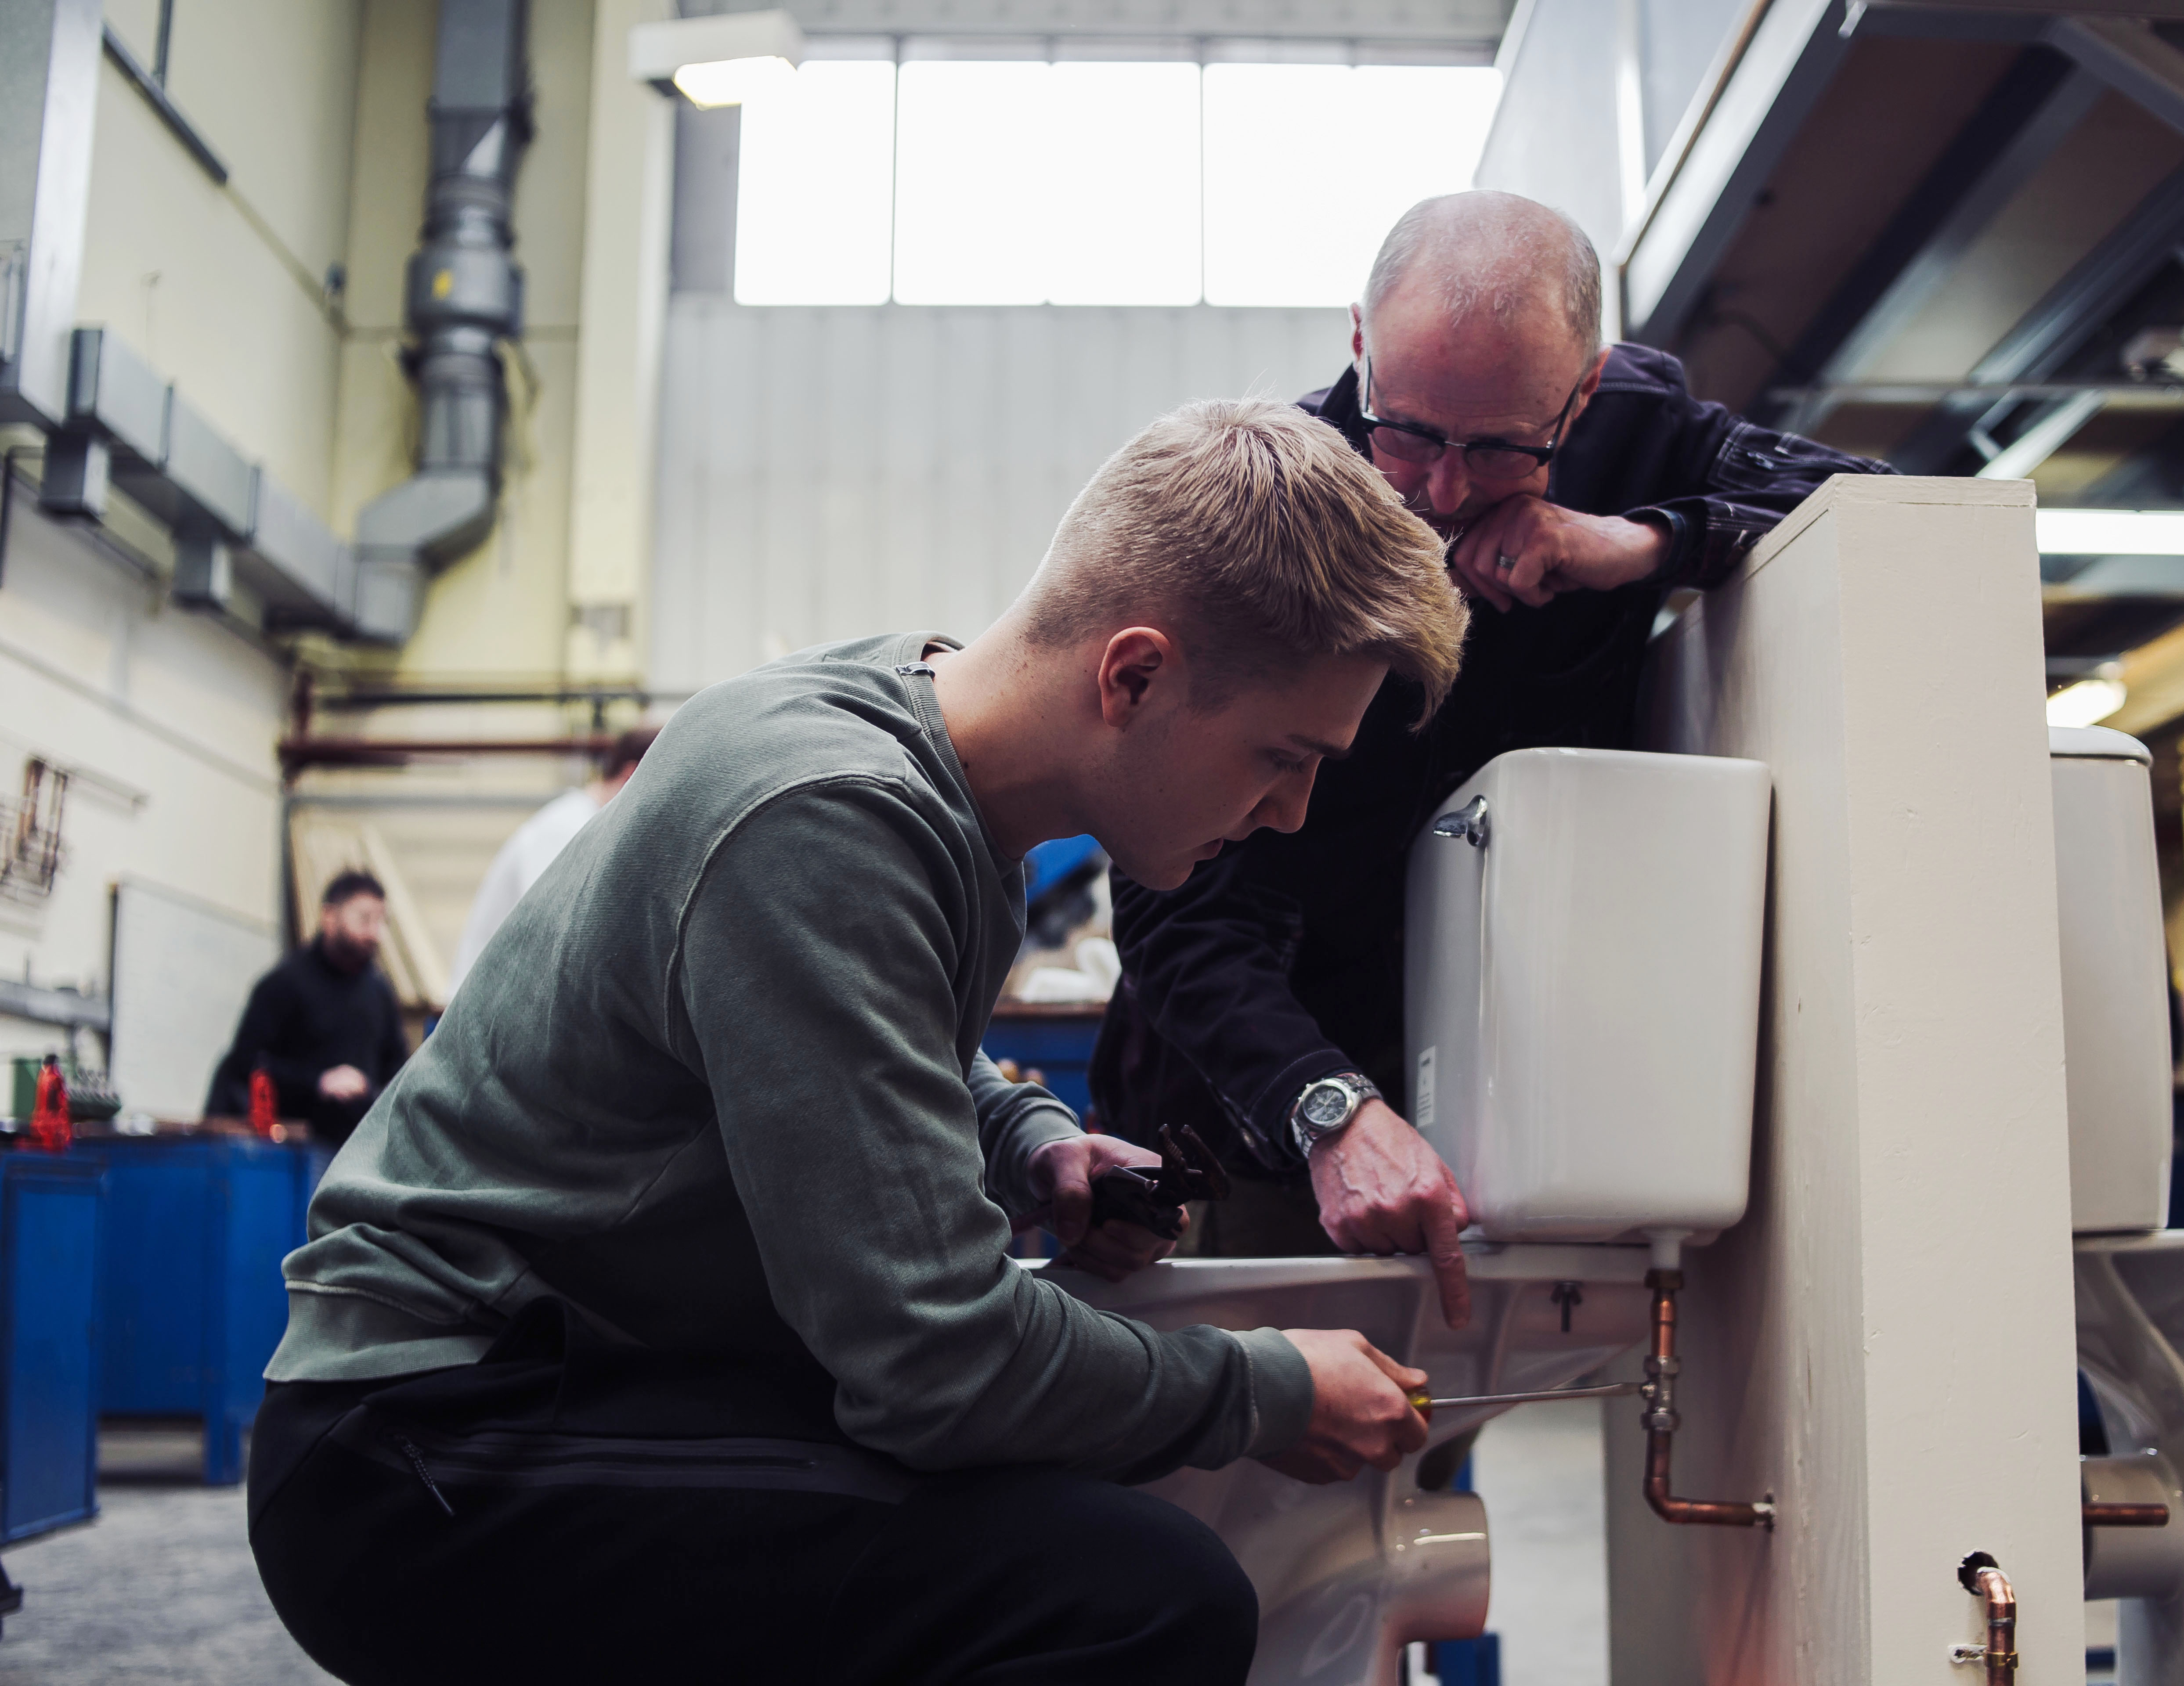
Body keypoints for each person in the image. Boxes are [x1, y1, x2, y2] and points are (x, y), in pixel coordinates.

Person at [248, 400, 1462, 1686]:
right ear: (1136, 674)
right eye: (1284, 755)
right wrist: (1266, 1388)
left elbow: (885, 1070)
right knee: (1143, 1597)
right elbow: (933, 1366)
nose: (1292, 812)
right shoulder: (825, 817)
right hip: (423, 1442)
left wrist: (1034, 1142)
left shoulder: (927, 766)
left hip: (569, 1382)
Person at [1091, 190, 1890, 1328]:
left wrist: (1644, 542)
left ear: (1585, 392)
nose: (1444, 491)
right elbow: (1182, 906)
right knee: (1228, 1479)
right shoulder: (1262, 523)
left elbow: (1893, 513)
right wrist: (1326, 1111)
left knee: (1415, 1449)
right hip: (1237, 1107)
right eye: (1408, 430)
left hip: (1470, 1097)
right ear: (1360, 348)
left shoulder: (1640, 439)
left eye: (1502, 447)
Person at [447, 724, 660, 995]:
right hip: (479, 1017)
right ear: (632, 774)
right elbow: (553, 941)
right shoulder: (565, 830)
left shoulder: (592, 826)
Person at [207, 870, 408, 1147]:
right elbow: (247, 1063)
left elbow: (397, 1067)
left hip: (357, 1147)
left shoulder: (380, 991)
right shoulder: (284, 983)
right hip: (295, 1147)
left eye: (380, 921)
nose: (375, 933)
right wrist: (319, 1081)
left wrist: (371, 1090)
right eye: (364, 919)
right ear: (329, 916)